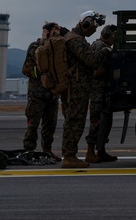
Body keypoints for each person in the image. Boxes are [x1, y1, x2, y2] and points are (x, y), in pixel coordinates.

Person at [59, 10, 110, 169]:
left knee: (73, 121)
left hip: (76, 87)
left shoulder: (72, 39)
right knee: (74, 122)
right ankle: (69, 156)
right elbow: (92, 61)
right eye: (93, 27)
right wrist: (105, 51)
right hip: (76, 88)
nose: (94, 30)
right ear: (86, 23)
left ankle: (70, 154)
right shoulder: (76, 41)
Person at [21, 21, 61, 159]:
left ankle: (47, 150)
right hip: (37, 93)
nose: (57, 34)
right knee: (33, 123)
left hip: (52, 94)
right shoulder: (35, 46)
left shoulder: (57, 48)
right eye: (54, 31)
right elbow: (27, 69)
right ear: (46, 32)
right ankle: (29, 150)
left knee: (50, 125)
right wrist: (42, 75)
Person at [85, 24, 118, 163]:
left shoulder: (105, 47)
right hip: (98, 91)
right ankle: (90, 152)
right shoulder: (100, 47)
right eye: (114, 35)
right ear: (108, 34)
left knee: (106, 121)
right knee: (96, 121)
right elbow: (95, 71)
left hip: (104, 91)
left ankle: (101, 151)